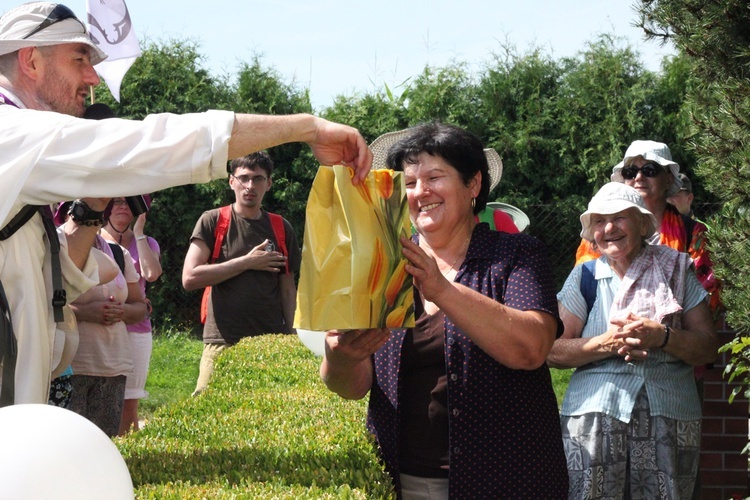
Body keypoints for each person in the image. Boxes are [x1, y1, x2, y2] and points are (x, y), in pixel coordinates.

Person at [0, 2, 372, 405]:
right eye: (80, 59)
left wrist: (90, 210)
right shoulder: (13, 132)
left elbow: (57, 279)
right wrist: (305, 127)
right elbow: (154, 143)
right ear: (30, 60)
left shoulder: (22, 152)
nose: (92, 78)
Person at [320, 124, 568, 499]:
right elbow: (353, 386)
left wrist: (441, 289)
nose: (421, 192)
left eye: (435, 177)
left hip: (508, 481)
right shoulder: (381, 265)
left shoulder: (516, 255)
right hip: (402, 482)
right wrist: (339, 358)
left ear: (473, 185)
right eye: (409, 182)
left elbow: (531, 348)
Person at [548, 182, 719, 498]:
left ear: (642, 223)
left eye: (619, 218)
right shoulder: (585, 276)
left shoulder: (678, 270)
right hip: (594, 418)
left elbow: (707, 347)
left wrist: (662, 337)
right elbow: (552, 351)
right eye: (599, 220)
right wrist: (607, 343)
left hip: (669, 413)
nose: (608, 228)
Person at [183, 152, 302, 396]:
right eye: (244, 178)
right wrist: (247, 262)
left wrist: (292, 337)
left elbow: (288, 287)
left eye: (258, 179)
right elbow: (190, 278)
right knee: (208, 411)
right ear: (231, 181)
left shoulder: (281, 227)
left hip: (270, 344)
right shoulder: (213, 220)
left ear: (268, 184)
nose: (250, 186)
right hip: (221, 341)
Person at [575, 140, 720, 314]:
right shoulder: (598, 234)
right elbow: (582, 289)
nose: (638, 177)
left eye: (649, 170)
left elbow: (706, 298)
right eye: (630, 172)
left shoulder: (694, 233)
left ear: (668, 178)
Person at [100, 195, 161, 435]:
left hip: (136, 328)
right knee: (100, 395)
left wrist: (139, 232)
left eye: (129, 202)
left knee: (129, 403)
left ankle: (128, 456)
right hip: (101, 325)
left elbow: (151, 273)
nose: (123, 206)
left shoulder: (146, 242)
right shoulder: (94, 239)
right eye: (116, 201)